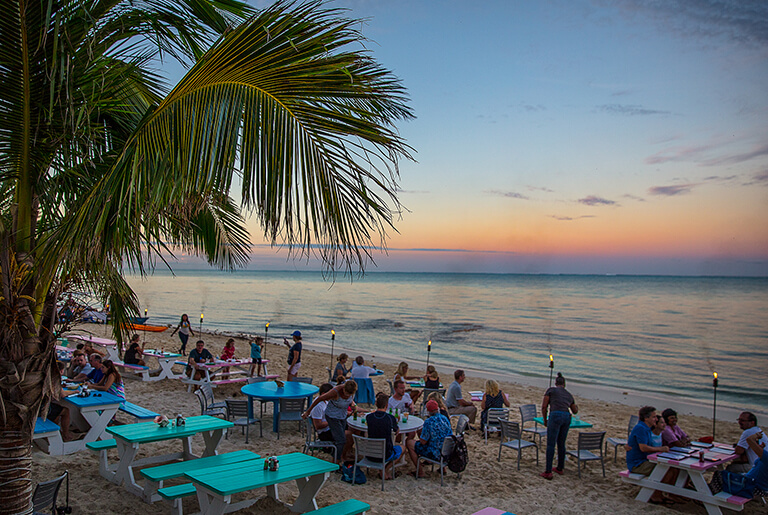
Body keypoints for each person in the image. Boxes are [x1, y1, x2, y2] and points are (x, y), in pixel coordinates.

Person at [626, 406, 679, 506]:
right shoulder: (641, 428)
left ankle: (667, 493)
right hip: (638, 464)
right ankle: (655, 495)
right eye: (654, 417)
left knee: (674, 468)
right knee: (667, 469)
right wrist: (661, 449)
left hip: (645, 460)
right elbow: (643, 448)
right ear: (646, 418)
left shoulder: (647, 428)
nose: (656, 419)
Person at [302, 380, 358, 463]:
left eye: (350, 395)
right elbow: (320, 399)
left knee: (350, 431)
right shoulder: (336, 391)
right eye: (346, 393)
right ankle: (336, 461)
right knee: (341, 440)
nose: (347, 396)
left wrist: (354, 406)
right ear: (344, 389)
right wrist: (308, 412)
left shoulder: (351, 392)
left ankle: (343, 455)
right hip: (332, 416)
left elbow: (351, 401)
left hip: (342, 416)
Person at [539, 372, 578, 479]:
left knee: (551, 444)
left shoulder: (551, 390)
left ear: (556, 383)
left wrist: (545, 419)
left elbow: (544, 406)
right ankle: (560, 467)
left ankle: (548, 471)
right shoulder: (569, 395)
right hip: (566, 417)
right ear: (564, 384)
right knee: (561, 443)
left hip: (555, 415)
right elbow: (574, 411)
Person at [715, 431, 768, 499]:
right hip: (760, 487)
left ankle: (710, 497)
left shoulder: (766, 456)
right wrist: (760, 450)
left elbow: (749, 440)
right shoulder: (765, 456)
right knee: (732, 473)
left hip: (751, 486)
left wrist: (757, 435)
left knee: (719, 475)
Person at [406, 399, 452, 477]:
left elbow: (423, 442)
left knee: (409, 443)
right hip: (447, 451)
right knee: (441, 440)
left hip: (435, 453)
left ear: (428, 411)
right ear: (438, 409)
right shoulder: (445, 418)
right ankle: (443, 468)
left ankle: (420, 472)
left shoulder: (428, 422)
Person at [367, 392, 403, 480]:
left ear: (376, 404)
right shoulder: (390, 418)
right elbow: (396, 430)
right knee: (403, 448)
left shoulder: (369, 417)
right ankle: (385, 469)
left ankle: (383, 470)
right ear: (387, 405)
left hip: (370, 452)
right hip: (385, 454)